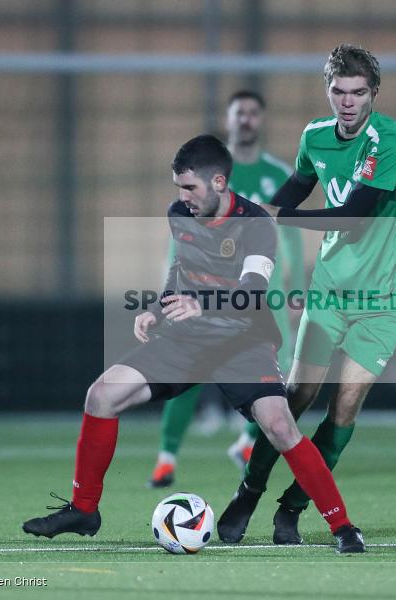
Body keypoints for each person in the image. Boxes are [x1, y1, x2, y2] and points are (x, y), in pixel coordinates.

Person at [22, 134, 365, 553]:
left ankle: (343, 527)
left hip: (243, 342)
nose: (182, 197)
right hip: (188, 340)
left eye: (190, 187)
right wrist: (160, 308)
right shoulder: (179, 214)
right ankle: (84, 509)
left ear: (219, 183)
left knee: (279, 424)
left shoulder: (256, 225)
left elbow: (252, 292)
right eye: (178, 188)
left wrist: (199, 304)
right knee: (101, 395)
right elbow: (181, 269)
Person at [216, 44, 396, 545]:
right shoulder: (314, 137)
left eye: (357, 92)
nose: (347, 102)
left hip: (386, 297)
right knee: (294, 398)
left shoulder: (388, 140)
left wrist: (279, 215)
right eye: (338, 91)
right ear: (327, 91)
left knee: (344, 407)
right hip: (330, 289)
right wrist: (261, 216)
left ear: (373, 93)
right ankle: (249, 491)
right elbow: (298, 187)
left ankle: (293, 508)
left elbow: (353, 215)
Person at [147, 90, 305, 488]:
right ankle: (167, 455)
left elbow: (288, 236)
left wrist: (296, 290)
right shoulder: (205, 171)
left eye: (253, 113)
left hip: (256, 291)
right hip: (201, 285)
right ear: (230, 119)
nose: (247, 120)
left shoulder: (276, 174)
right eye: (240, 113)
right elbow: (182, 230)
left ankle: (248, 445)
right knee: (186, 368)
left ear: (261, 120)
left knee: (273, 377)